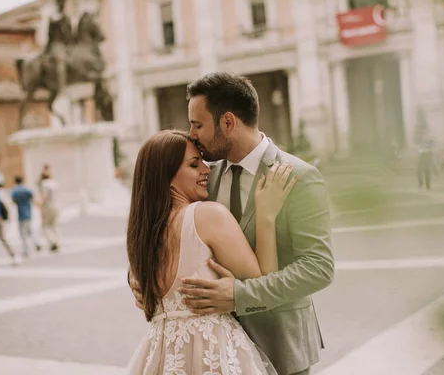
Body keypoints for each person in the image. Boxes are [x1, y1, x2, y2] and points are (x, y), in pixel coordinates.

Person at [130, 72, 334, 375]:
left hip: (280, 345)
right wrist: (142, 278)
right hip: (210, 351)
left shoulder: (299, 178)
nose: (192, 134)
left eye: (197, 124)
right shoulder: (202, 177)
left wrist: (238, 296)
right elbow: (163, 224)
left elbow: (318, 268)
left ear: (227, 122)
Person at [126, 130, 297, 374]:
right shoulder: (207, 216)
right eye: (194, 165)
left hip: (160, 355)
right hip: (212, 352)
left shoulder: (141, 237)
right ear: (166, 176)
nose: (206, 170)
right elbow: (264, 283)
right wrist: (267, 216)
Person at [11, 176, 42, 257]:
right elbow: (33, 199)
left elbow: (13, 202)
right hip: (28, 213)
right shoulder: (26, 189)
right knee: (29, 231)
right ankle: (36, 243)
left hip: (21, 214)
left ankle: (26, 250)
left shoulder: (15, 191)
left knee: (23, 233)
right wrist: (39, 206)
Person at [39, 172, 60, 251]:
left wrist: (41, 205)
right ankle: (57, 241)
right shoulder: (54, 183)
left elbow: (45, 195)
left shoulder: (44, 184)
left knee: (45, 226)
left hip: (48, 206)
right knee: (54, 225)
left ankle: (52, 241)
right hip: (56, 205)